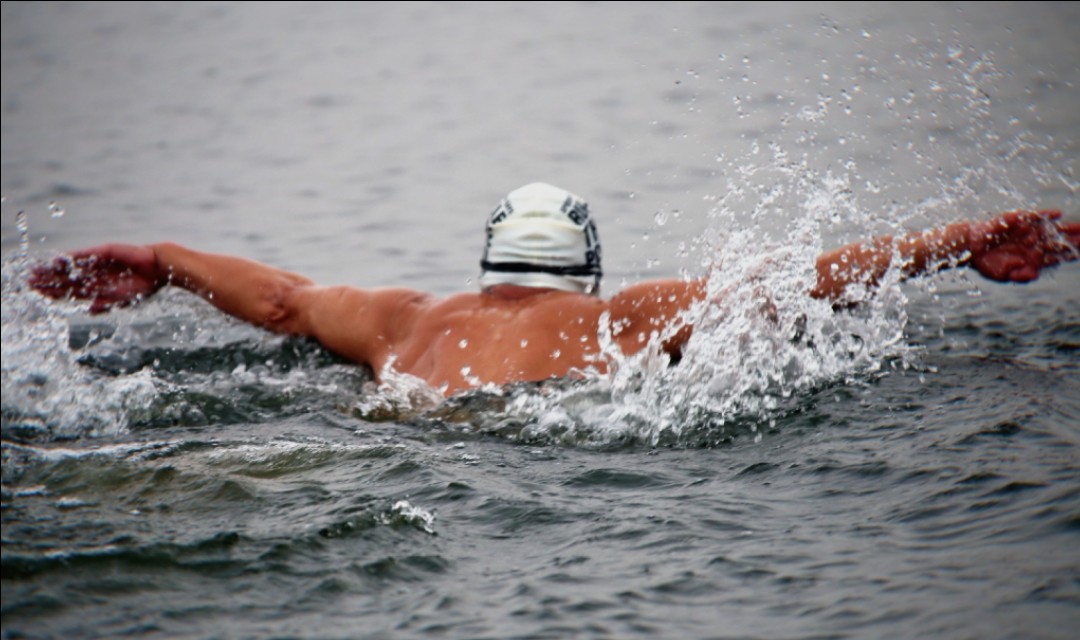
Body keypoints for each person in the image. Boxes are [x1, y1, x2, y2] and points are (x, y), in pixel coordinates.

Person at [29, 183, 1080, 396]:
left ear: (490, 261)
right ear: (582, 266)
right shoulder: (617, 318)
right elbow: (790, 281)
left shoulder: (407, 317)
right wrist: (953, 245)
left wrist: (165, 257)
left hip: (388, 430)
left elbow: (286, 299)